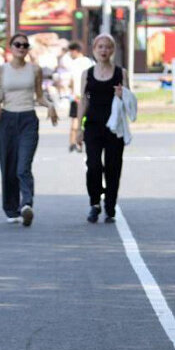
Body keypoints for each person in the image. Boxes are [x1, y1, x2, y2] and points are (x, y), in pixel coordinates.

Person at [0, 33, 59, 226]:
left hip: (28, 118)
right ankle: (11, 209)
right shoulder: (0, 70)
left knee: (23, 166)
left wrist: (50, 105)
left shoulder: (34, 70)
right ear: (10, 47)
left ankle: (26, 204)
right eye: (17, 44)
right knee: (8, 166)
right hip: (7, 120)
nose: (21, 48)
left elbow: (39, 96)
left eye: (25, 45)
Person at [75, 34, 126, 224]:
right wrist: (79, 128)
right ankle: (95, 203)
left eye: (107, 47)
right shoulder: (87, 74)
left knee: (113, 167)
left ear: (112, 50)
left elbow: (129, 103)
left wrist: (122, 95)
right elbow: (83, 100)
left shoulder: (121, 73)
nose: (104, 51)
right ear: (94, 50)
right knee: (94, 165)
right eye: (100, 47)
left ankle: (110, 205)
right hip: (93, 126)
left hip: (114, 126)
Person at [62, 42, 93, 153]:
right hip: (87, 95)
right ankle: (79, 143)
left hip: (77, 95)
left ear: (75, 51)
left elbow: (72, 81)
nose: (70, 54)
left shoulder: (75, 64)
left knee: (75, 120)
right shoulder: (89, 62)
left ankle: (73, 142)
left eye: (71, 51)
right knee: (84, 121)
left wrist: (71, 91)